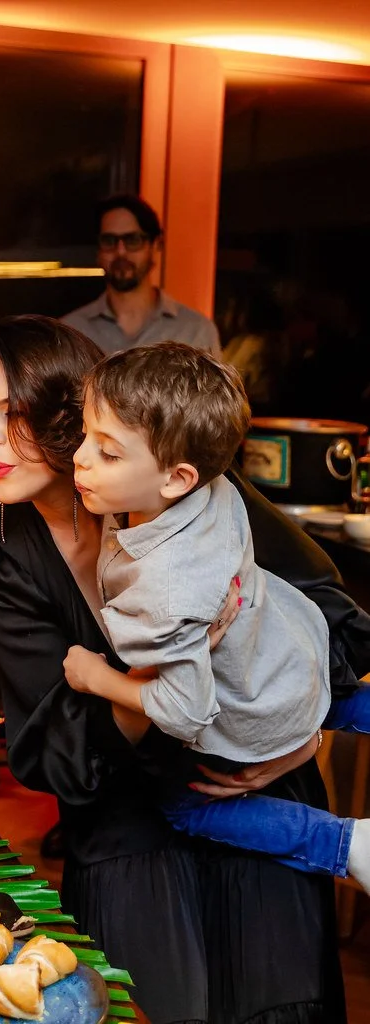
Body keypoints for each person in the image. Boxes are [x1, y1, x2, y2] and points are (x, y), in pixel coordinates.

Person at [0, 314, 370, 1023]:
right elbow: (58, 754)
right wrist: (160, 680)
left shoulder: (189, 486)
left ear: (70, 410)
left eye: (13, 414)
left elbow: (334, 621)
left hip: (260, 783)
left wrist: (298, 740)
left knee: (280, 1002)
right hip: (126, 821)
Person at [65, 341, 370, 892]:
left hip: (249, 697)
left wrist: (97, 677)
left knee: (183, 807)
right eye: (85, 434)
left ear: (176, 478)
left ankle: (347, 844)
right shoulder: (211, 484)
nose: (80, 458)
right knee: (338, 701)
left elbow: (185, 711)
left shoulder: (167, 590)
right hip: (288, 648)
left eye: (107, 453)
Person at [62, 195, 221, 357]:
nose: (121, 252)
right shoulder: (72, 333)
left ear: (156, 245)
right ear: (98, 250)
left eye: (133, 240)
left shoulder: (195, 331)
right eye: (109, 241)